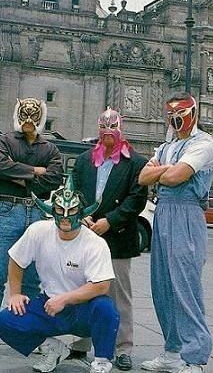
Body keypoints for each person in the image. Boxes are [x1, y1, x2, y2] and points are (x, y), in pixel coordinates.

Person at [0, 174, 120, 373]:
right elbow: (16, 259)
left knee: (107, 309)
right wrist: (15, 293)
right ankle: (52, 348)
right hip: (48, 305)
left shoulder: (96, 243)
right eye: (59, 210)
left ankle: (102, 361)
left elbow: (101, 285)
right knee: (6, 320)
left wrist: (64, 299)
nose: (65, 216)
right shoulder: (38, 231)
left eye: (71, 210)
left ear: (81, 213)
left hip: (83, 309)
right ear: (51, 210)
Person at [0, 97, 63, 357]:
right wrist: (36, 171)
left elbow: (55, 177)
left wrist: (21, 175)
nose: (29, 120)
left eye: (34, 115)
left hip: (37, 212)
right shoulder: (4, 141)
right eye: (25, 114)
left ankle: (28, 331)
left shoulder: (50, 147)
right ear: (18, 114)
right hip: (8, 210)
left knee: (33, 277)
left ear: (41, 117)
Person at [138, 93, 213, 373]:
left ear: (192, 114)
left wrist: (161, 172)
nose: (175, 119)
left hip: (186, 212)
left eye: (181, 114)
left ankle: (194, 357)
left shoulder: (204, 144)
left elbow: (175, 177)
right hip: (163, 212)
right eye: (171, 115)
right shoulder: (166, 146)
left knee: (185, 286)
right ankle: (172, 351)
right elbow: (142, 177)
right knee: (162, 287)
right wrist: (168, 170)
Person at [71, 107, 148, 371]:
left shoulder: (136, 163)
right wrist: (82, 215)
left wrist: (110, 221)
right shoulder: (83, 161)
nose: (107, 135)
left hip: (118, 237)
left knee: (119, 296)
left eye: (112, 130)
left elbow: (136, 200)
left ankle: (123, 348)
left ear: (120, 130)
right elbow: (76, 192)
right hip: (86, 235)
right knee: (82, 291)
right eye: (103, 130)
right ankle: (80, 344)